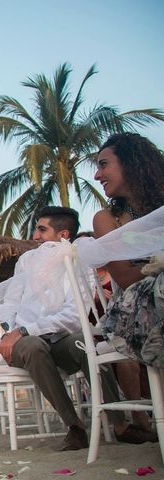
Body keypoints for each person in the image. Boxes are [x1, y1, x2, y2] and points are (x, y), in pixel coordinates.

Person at [0, 206, 154, 450]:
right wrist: (8, 331)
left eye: (41, 230)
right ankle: (74, 426)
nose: (35, 236)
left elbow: (74, 317)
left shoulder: (79, 261)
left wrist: (25, 330)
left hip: (58, 338)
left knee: (84, 344)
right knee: (34, 346)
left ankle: (120, 425)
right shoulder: (26, 261)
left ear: (63, 235)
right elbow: (11, 302)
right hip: (27, 343)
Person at [93, 132, 164, 430]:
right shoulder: (107, 219)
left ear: (132, 164)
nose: (97, 175)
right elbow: (123, 277)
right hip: (131, 307)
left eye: (104, 164)